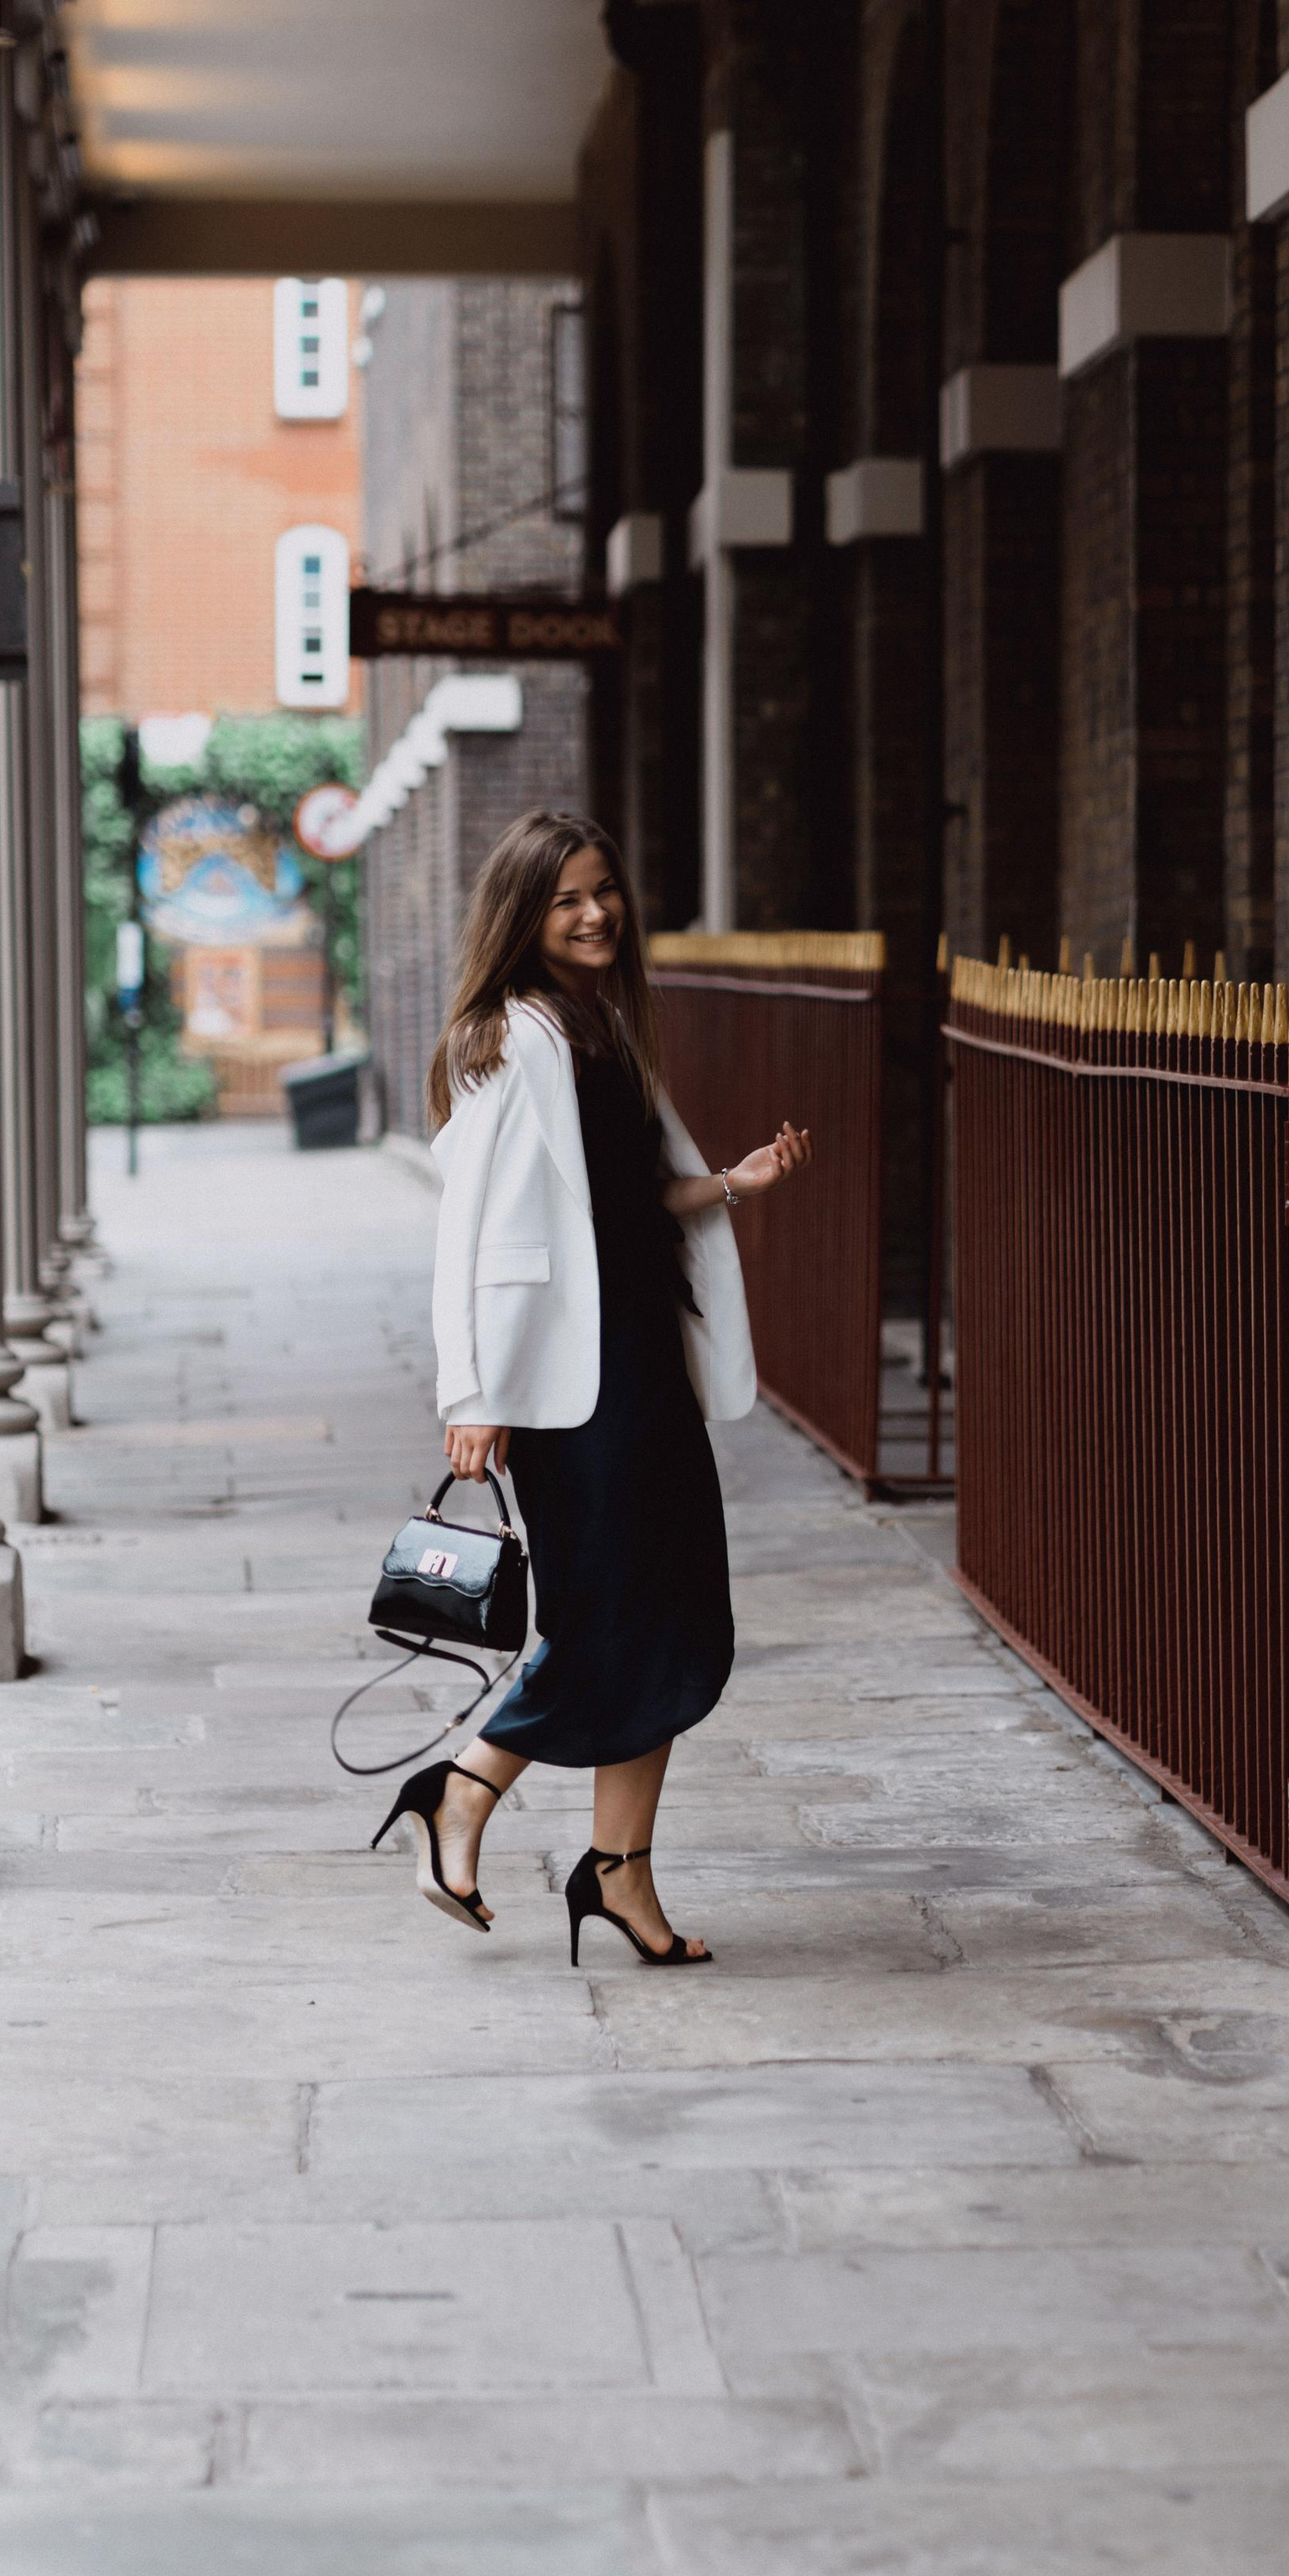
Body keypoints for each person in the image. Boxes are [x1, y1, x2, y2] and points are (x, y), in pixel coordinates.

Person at [371, 809, 811, 1965]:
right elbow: (465, 1232)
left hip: (640, 1365)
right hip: (564, 1389)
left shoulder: (602, 1028)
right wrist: (470, 1393)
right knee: (608, 1614)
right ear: (525, 913)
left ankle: (618, 1871)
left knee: (676, 1615)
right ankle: (460, 1789)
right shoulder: (509, 1038)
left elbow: (627, 1201)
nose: (596, 911)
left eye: (604, 889)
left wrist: (733, 1179)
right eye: (567, 896)